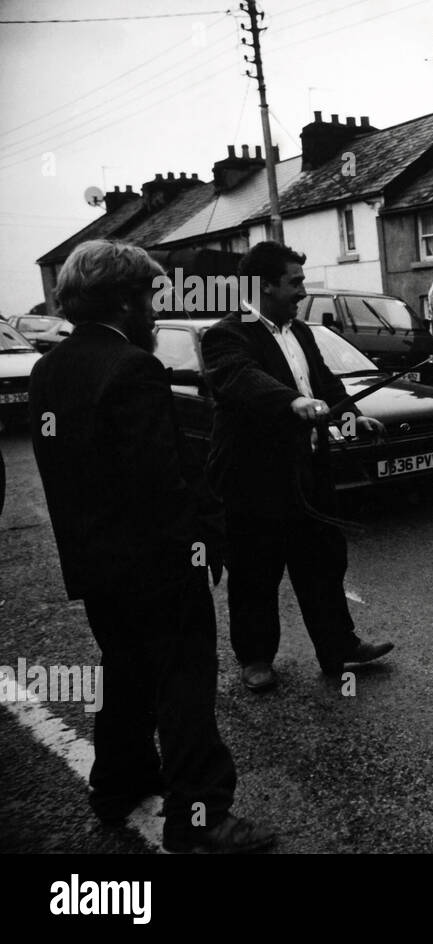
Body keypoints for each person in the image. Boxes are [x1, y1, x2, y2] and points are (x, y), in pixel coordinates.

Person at [28, 239, 274, 853]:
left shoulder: (48, 369)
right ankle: (201, 818)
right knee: (184, 686)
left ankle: (116, 786)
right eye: (148, 298)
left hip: (96, 563)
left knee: (124, 675)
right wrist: (200, 546)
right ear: (122, 299)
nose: (155, 313)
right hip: (158, 566)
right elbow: (158, 482)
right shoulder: (133, 368)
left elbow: (64, 470)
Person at [202, 241, 393, 692]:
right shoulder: (227, 334)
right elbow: (242, 380)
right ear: (265, 286)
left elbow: (325, 386)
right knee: (255, 572)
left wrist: (351, 417)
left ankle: (338, 648)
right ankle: (255, 659)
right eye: (295, 282)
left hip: (308, 474)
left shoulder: (301, 332)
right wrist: (292, 401)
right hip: (253, 479)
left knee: (323, 563)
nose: (302, 291)